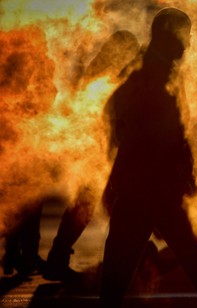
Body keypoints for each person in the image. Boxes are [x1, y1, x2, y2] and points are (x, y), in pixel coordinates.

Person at [99, 7, 197, 308]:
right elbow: (152, 133)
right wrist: (178, 171)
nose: (188, 44)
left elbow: (118, 120)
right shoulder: (152, 74)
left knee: (124, 263)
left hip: (147, 186)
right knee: (195, 256)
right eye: (185, 36)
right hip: (153, 186)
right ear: (169, 35)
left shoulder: (153, 70)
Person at [42, 30, 140, 282]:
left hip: (98, 153)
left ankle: (61, 258)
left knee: (93, 207)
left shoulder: (100, 75)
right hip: (101, 154)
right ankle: (113, 265)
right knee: (97, 207)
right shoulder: (110, 79)